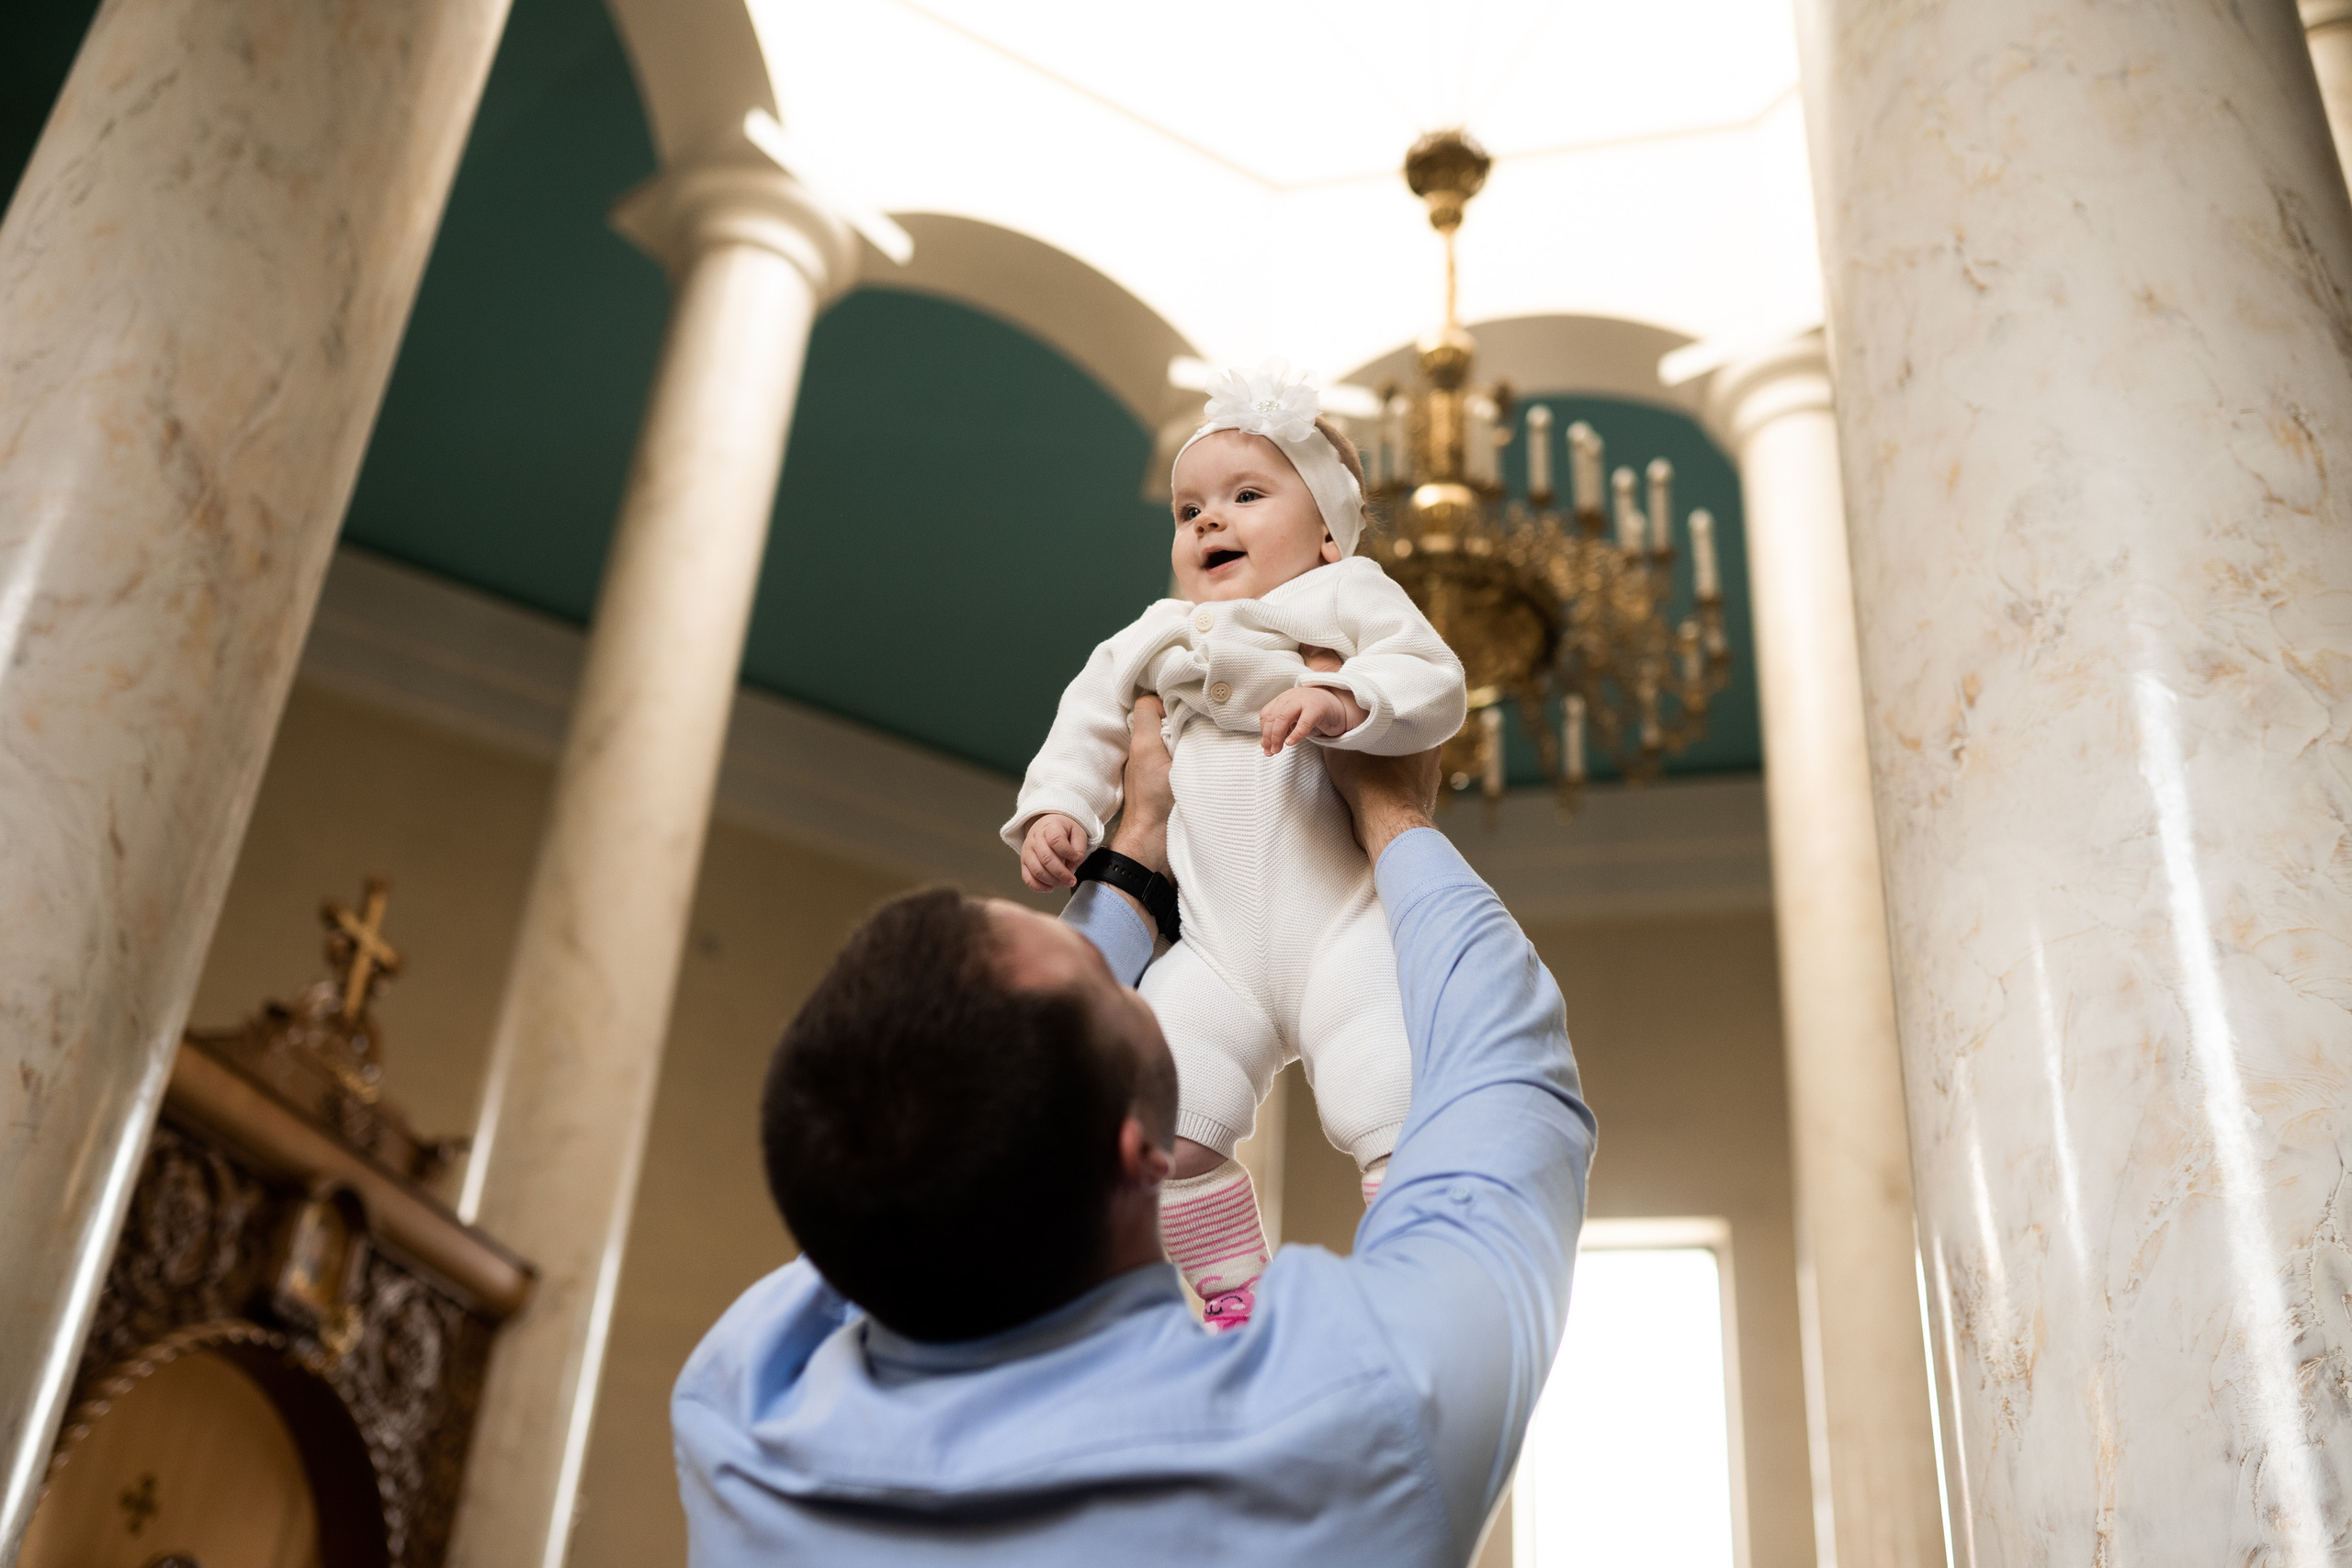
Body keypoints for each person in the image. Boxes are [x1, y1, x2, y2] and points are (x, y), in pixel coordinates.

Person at [671, 692, 1597, 1567]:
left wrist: (1137, 846)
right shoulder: (1351, 1416)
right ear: (1137, 1158)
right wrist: (1396, 814)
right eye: (1104, 982)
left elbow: (924, 1153)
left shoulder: (744, 1406)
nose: (1112, 963)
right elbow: (1507, 1083)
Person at [1006, 358, 1467, 1329]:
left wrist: (1346, 698)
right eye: (1188, 510)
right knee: (1152, 1129)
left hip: (1343, 927)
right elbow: (1087, 724)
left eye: (1247, 496)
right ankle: (1233, 1294)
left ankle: (1404, 1288)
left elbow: (1434, 681)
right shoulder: (1154, 633)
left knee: (1394, 1112)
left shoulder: (1352, 600)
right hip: (1215, 953)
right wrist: (1059, 811)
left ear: (1330, 534)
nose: (1209, 522)